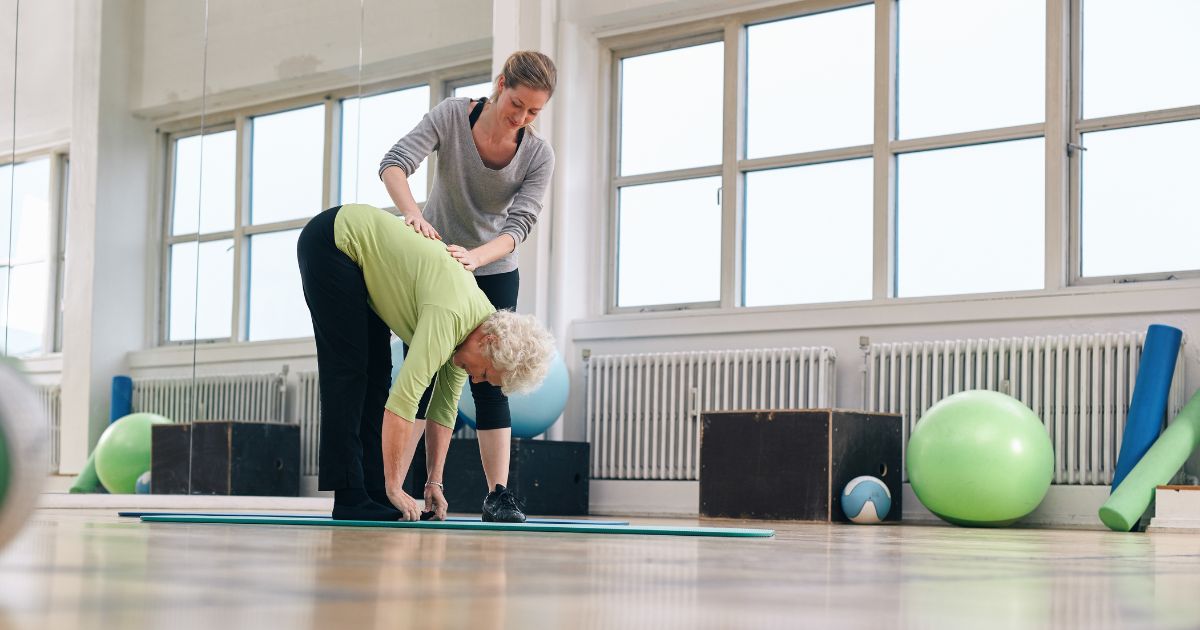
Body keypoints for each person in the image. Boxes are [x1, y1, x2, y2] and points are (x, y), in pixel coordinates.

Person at [377, 50, 556, 523]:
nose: (522, 117)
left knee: (491, 382)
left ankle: (498, 494)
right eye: (517, 104)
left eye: (534, 111)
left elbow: (520, 225)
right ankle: (405, 486)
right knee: (424, 371)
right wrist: (413, 214)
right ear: (501, 84)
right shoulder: (454, 115)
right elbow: (394, 162)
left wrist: (475, 257)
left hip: (493, 268)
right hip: (433, 264)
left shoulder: (538, 154)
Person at [297, 203, 555, 522]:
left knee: (377, 376)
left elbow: (443, 410)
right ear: (489, 342)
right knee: (350, 372)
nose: (477, 380)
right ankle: (351, 496)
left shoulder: (471, 332)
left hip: (359, 259)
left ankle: (374, 493)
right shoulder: (450, 315)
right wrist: (396, 486)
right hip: (334, 241)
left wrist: (433, 481)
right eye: (486, 373)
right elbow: (404, 401)